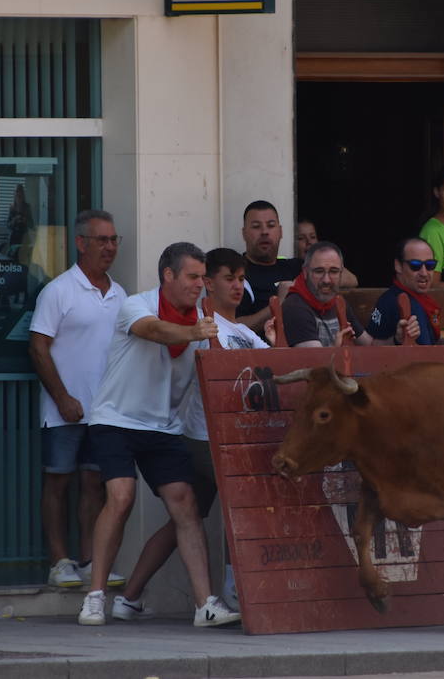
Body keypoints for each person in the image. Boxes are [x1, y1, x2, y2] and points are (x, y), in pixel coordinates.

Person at [78, 242, 239, 628]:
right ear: (168, 275)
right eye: (193, 277)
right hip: (115, 418)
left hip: (163, 426)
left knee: (185, 503)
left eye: (203, 277)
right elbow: (154, 331)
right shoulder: (138, 304)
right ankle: (95, 597)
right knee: (121, 495)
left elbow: (226, 357)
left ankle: (206, 605)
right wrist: (193, 330)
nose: (200, 284)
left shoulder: (203, 322)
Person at [111, 247, 272, 621]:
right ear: (208, 285)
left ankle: (130, 596)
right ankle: (237, 594)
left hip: (230, 439)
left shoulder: (243, 331)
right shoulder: (198, 326)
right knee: (243, 501)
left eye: (241, 278)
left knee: (185, 519)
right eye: (226, 278)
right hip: (202, 437)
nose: (236, 285)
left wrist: (276, 339)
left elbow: (272, 370)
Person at [27, 210, 127, 590]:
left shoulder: (120, 294)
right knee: (58, 482)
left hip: (104, 411)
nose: (110, 247)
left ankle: (88, 560)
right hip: (64, 408)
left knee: (93, 483)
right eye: (102, 240)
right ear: (81, 243)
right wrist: (62, 397)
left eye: (114, 239)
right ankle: (58, 561)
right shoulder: (59, 290)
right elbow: (38, 348)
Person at [365, 238, 444, 346]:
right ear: (398, 266)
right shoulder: (399, 303)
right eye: (415, 265)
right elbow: (370, 350)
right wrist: (396, 340)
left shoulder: (415, 300)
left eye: (430, 265)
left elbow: (431, 348)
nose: (424, 273)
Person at [281, 241, 375, 348]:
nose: (326, 280)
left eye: (333, 271)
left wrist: (395, 338)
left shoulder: (338, 302)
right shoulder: (295, 307)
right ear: (305, 272)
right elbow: (315, 362)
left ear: (341, 273)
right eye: (319, 271)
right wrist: (337, 349)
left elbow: (370, 346)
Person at [235, 201, 303, 333]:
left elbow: (349, 278)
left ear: (281, 231)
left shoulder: (295, 266)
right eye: (256, 226)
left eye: (271, 226)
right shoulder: (235, 273)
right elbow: (232, 327)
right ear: (244, 233)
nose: (264, 232)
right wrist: (278, 305)